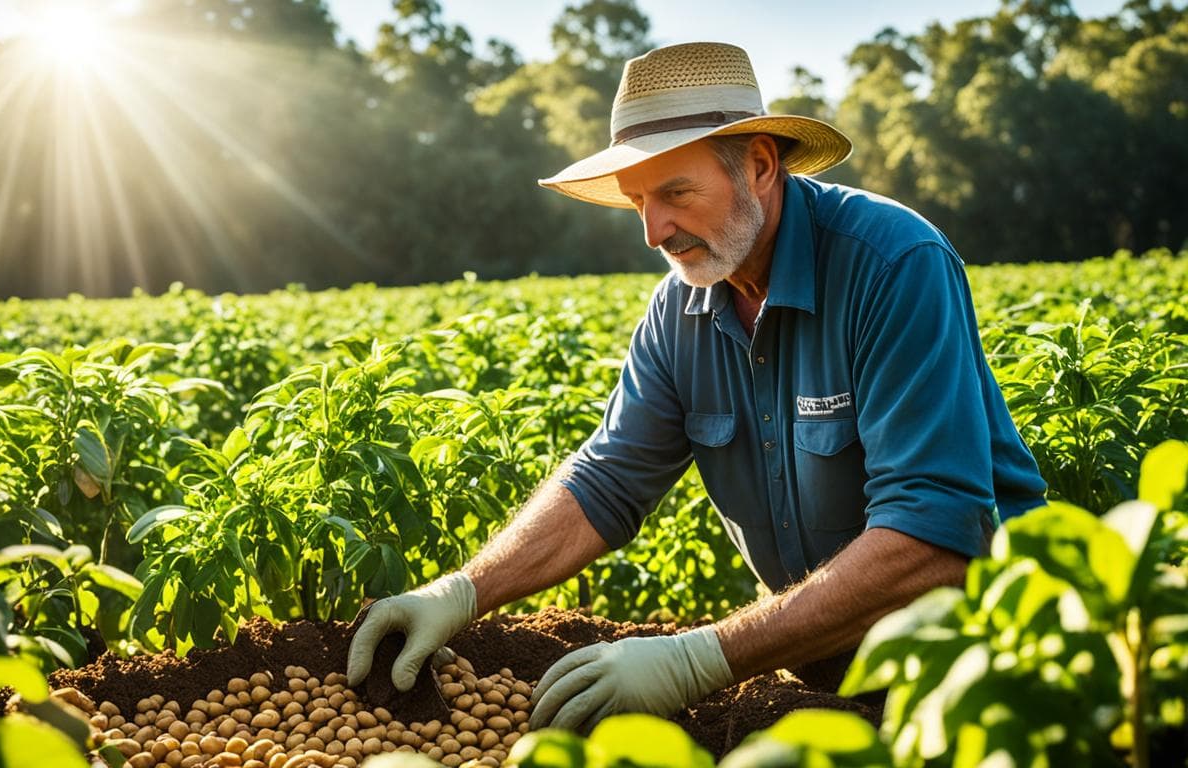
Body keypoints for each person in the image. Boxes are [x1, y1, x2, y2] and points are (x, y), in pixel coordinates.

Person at [345, 41, 1047, 732]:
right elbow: (606, 480)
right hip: (825, 676)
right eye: (639, 200)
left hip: (985, 676)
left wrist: (697, 659)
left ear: (760, 165)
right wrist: (463, 592)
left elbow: (933, 535)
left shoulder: (892, 264)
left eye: (676, 192)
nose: (654, 231)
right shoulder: (679, 312)